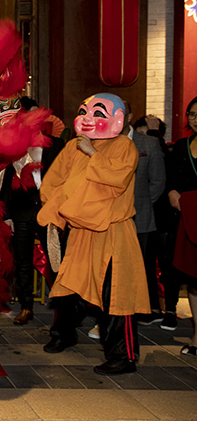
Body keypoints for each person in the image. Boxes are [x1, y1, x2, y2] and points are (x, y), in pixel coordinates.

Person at [38, 93, 149, 375]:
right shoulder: (73, 146)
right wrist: (59, 212)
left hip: (112, 233)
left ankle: (123, 356)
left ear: (118, 120)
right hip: (78, 232)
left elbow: (118, 178)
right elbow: (53, 181)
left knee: (115, 296)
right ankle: (64, 334)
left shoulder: (124, 146)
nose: (88, 118)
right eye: (84, 112)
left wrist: (93, 153)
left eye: (97, 113)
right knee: (68, 288)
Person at [0, 98, 63, 325]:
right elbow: (3, 184)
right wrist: (6, 215)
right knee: (23, 261)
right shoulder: (12, 147)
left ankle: (61, 307)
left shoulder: (56, 145)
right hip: (21, 211)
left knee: (56, 259)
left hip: (50, 210)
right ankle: (26, 306)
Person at [123, 105, 166, 326]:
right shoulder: (101, 143)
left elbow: (158, 182)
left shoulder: (148, 143)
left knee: (140, 266)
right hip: (110, 219)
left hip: (140, 217)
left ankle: (141, 308)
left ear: (129, 116)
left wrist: (141, 204)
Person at [165, 96, 197, 355]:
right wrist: (173, 193)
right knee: (193, 279)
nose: (195, 119)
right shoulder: (182, 145)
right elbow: (170, 179)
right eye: (192, 114)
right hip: (187, 219)